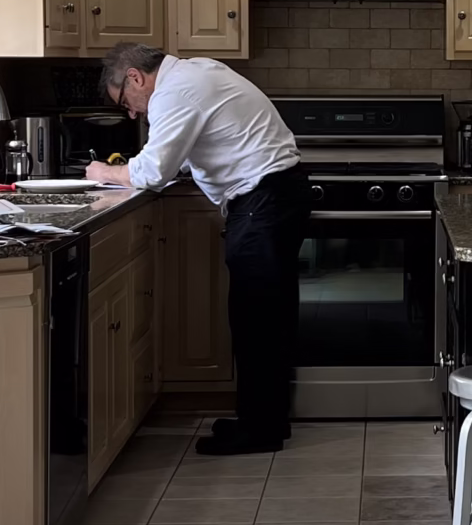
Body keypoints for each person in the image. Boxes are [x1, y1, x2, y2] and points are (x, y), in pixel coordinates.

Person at [89, 44, 310, 455]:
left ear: (135, 77)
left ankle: (260, 431)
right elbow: (201, 143)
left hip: (264, 200)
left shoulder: (176, 91)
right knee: (262, 316)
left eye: (126, 102)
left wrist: (104, 171)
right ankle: (263, 421)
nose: (133, 113)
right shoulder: (194, 73)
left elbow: (151, 173)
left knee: (256, 317)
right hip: (274, 196)